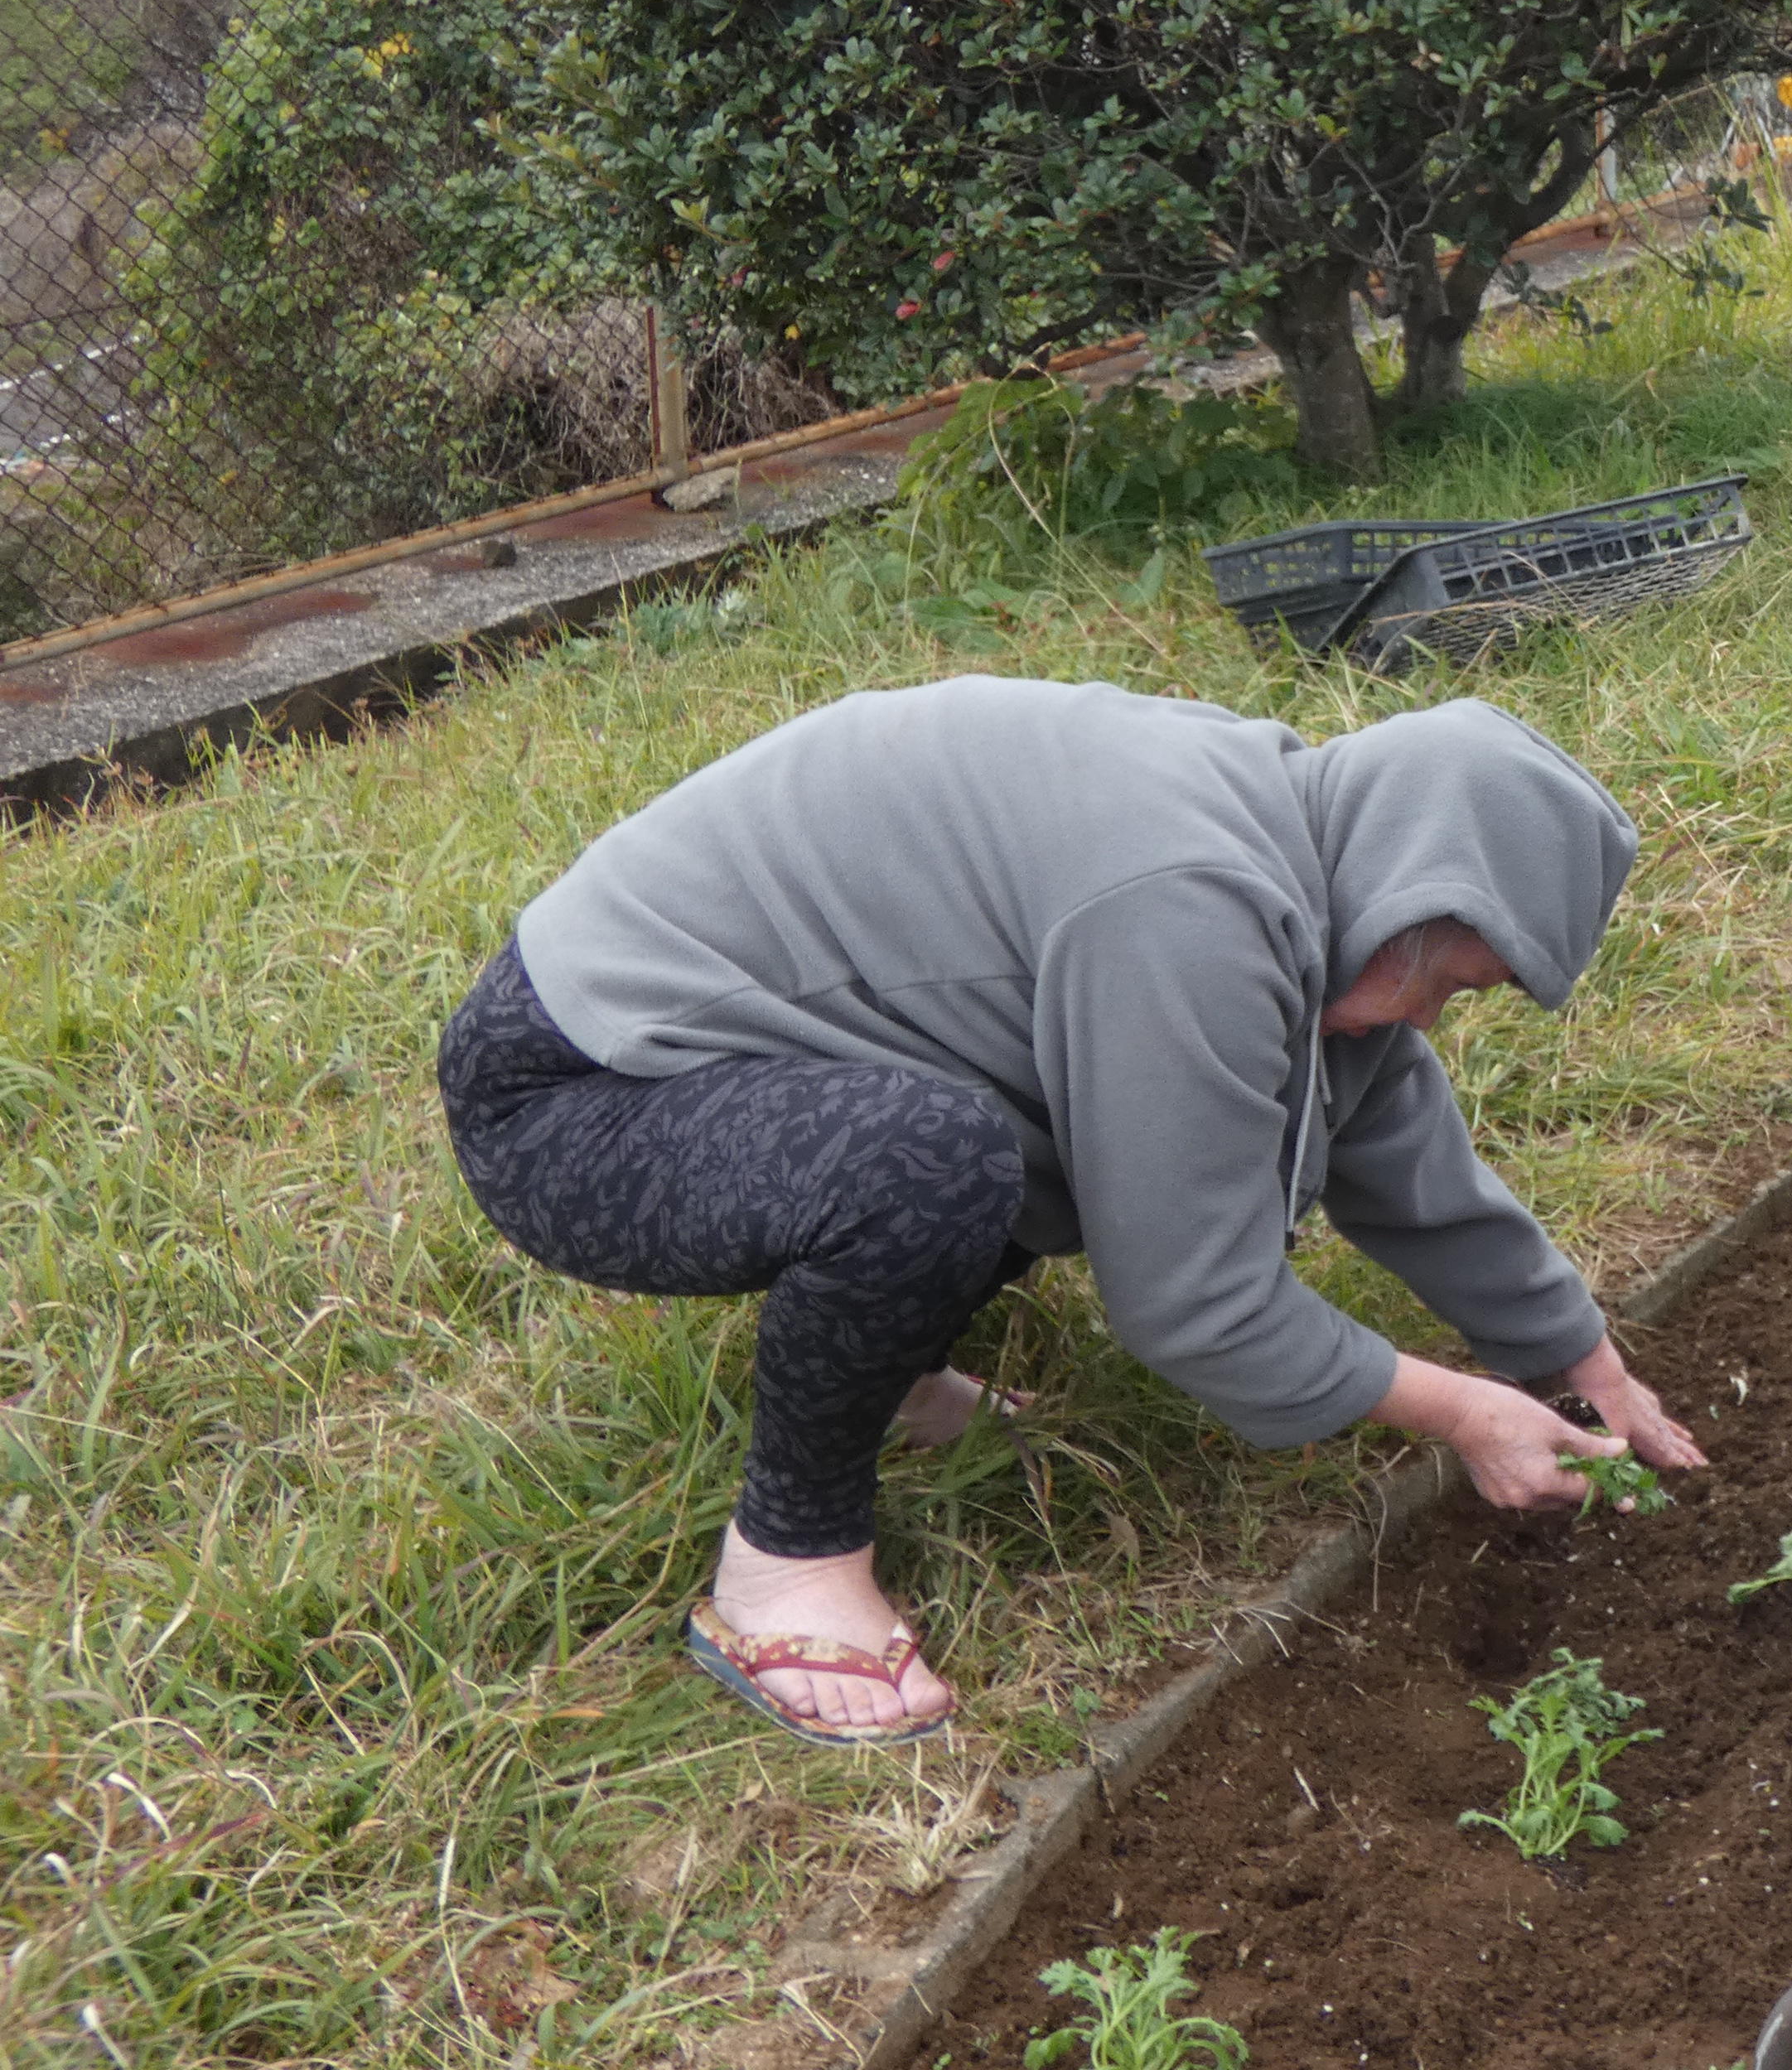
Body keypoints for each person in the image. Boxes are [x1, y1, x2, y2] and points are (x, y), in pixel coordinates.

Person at [436, 677, 1706, 1745]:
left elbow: (1385, 1125)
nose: (1430, 1016)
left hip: (721, 1071)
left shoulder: (1305, 842)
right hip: (577, 1094)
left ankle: (890, 1372)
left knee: (1011, 1126)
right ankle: (784, 1568)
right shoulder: (1190, 904)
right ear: (1405, 890)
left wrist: (1571, 1354)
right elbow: (1193, 1301)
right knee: (934, 1164)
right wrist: (1467, 1410)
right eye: (1443, 979)